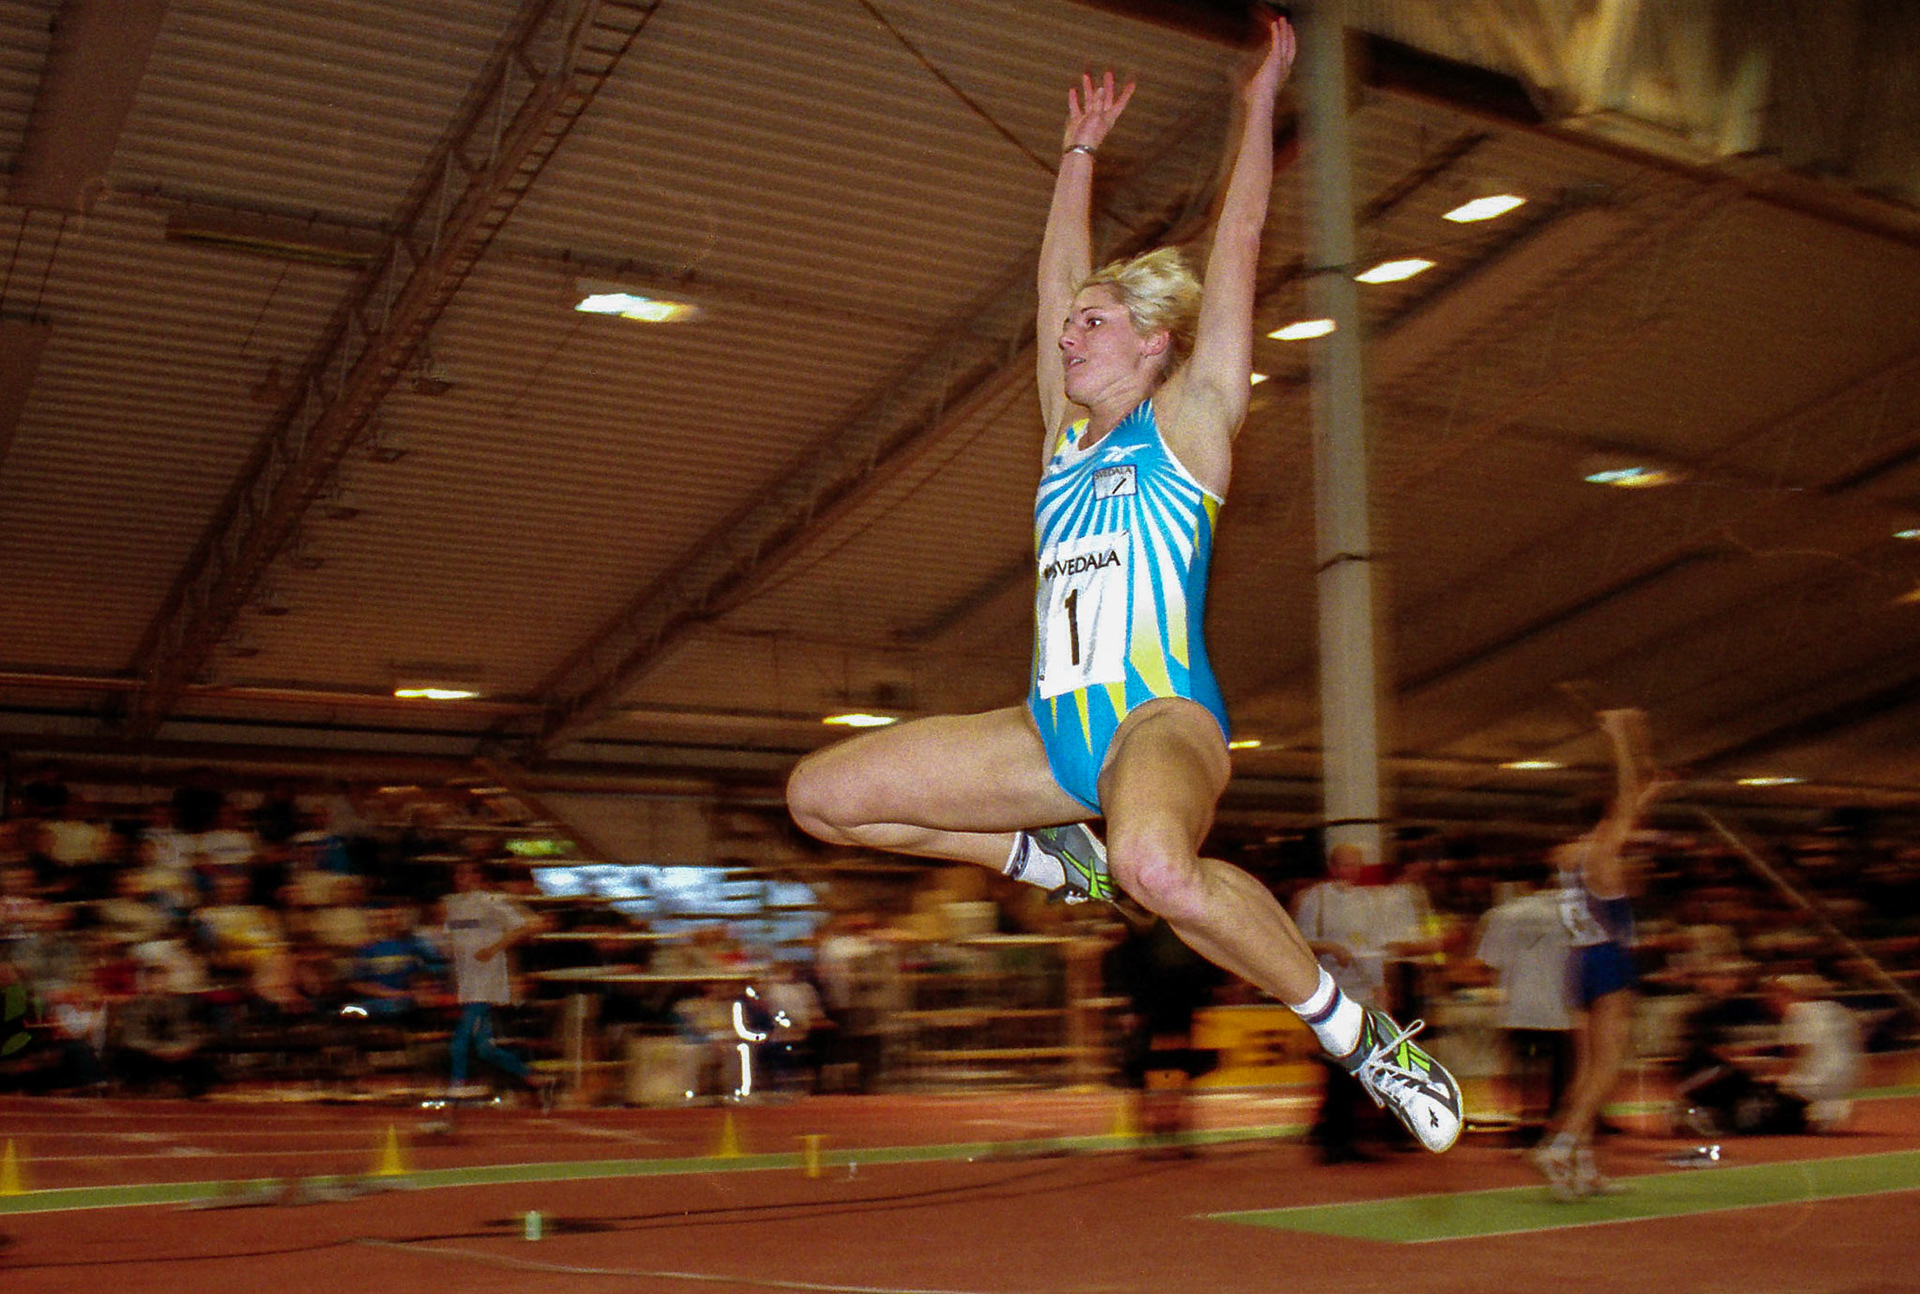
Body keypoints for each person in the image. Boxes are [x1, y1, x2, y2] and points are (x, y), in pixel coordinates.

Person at [786, 16, 1461, 1154]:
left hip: (1159, 718)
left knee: (1156, 863)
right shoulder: (1061, 436)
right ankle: (1045, 855)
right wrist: (1077, 155)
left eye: (1093, 323)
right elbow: (1056, 276)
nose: (1068, 335)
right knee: (821, 798)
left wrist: (1259, 108)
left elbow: (1239, 237)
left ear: (1153, 343)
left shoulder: (1192, 422)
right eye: (1065, 327)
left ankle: (1362, 1036)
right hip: (1051, 734)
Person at [1532, 709, 1671, 1199]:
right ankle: (1559, 1146)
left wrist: (1648, 793)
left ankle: (1584, 1167)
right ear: (1607, 819)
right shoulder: (1603, 853)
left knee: (1585, 1069)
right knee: (1606, 1070)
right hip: (1608, 960)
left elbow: (1631, 805)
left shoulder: (1564, 856)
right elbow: (1627, 799)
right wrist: (1619, 738)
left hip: (1577, 962)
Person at [1475, 869, 1577, 1143]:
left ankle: (1523, 1124)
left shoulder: (1505, 914)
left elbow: (1488, 962)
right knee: (1558, 1072)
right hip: (1557, 1008)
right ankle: (1554, 1129)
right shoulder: (1569, 915)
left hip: (1518, 1005)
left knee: (1523, 1069)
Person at [440, 859, 553, 1102]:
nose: (463, 878)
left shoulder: (491, 901)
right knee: (485, 1048)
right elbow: (452, 940)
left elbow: (524, 926)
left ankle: (455, 1092)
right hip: (467, 981)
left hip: (486, 982)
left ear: (479, 876)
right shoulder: (454, 905)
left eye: (469, 873)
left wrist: (493, 948)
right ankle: (534, 1078)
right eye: (459, 874)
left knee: (460, 1043)